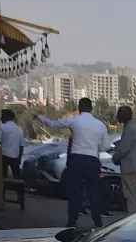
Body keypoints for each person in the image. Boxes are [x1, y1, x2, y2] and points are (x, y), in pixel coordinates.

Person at [36, 96, 110, 230]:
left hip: (76, 159)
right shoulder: (100, 125)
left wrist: (39, 117)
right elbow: (106, 146)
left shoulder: (74, 121)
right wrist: (93, 148)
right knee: (93, 191)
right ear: (91, 108)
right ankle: (97, 222)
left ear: (79, 108)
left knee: (75, 191)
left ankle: (72, 221)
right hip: (92, 160)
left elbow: (53, 124)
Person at [111, 104, 136, 214]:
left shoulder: (129, 129)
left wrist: (115, 158)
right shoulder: (135, 126)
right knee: (135, 196)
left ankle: (132, 218)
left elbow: (124, 148)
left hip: (130, 168)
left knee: (130, 197)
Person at [0, 109, 25, 180]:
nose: (1, 118)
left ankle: (3, 187)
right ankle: (19, 186)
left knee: (2, 177)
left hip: (3, 155)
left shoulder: (2, 127)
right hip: (15, 156)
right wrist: (19, 157)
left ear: (5, 117)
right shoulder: (19, 129)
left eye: (2, 116)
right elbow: (21, 145)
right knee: (17, 176)